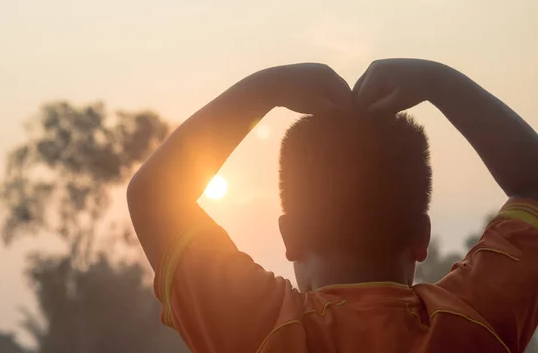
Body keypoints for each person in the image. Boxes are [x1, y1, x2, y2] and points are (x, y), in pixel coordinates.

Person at [126, 59, 538, 352]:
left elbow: (153, 196)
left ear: (290, 237)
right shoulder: (471, 320)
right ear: (422, 237)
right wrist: (440, 82)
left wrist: (266, 88)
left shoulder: (262, 326)